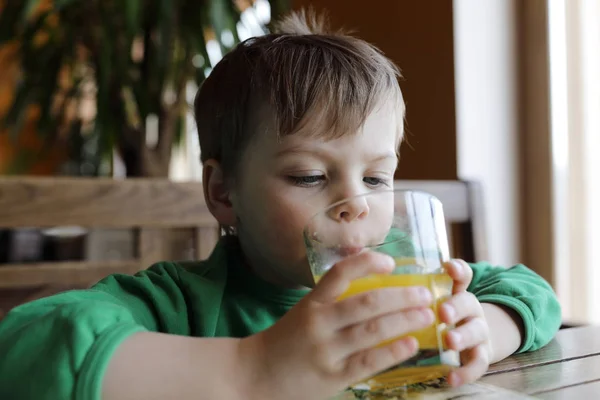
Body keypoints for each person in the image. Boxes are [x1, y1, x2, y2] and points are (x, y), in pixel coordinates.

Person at [0, 10, 561, 400]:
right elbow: (28, 341)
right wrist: (255, 370)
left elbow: (528, 287)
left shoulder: (404, 285)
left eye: (375, 177)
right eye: (309, 175)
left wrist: (485, 327)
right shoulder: (182, 305)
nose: (353, 204)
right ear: (224, 193)